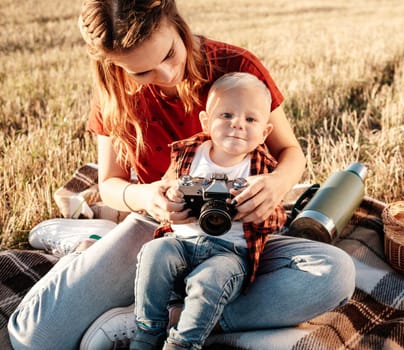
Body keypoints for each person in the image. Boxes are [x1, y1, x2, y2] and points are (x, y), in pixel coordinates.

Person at [8, 1, 356, 349]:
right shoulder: (114, 90)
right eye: (143, 73)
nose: (168, 74)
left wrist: (276, 184)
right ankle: (89, 246)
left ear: (177, 24)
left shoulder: (236, 68)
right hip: (158, 232)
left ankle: (162, 321)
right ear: (115, 66)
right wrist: (148, 196)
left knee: (334, 274)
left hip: (239, 238)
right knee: (33, 339)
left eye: (170, 54)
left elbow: (290, 153)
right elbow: (109, 184)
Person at [131, 72, 287, 350]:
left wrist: (252, 207)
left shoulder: (261, 168)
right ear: (206, 121)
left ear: (265, 132)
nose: (237, 124)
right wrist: (174, 199)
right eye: (226, 115)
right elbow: (164, 194)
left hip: (230, 254)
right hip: (180, 244)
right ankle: (147, 330)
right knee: (153, 252)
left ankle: (183, 343)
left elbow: (277, 219)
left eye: (250, 119)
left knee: (209, 280)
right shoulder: (187, 153)